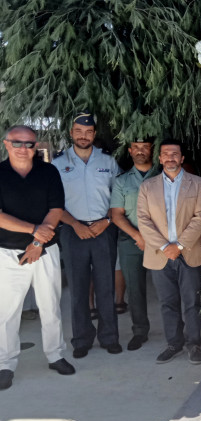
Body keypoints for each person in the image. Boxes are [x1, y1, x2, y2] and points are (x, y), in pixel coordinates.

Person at [0, 125, 75, 390]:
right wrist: (32, 231)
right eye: (18, 143)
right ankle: (5, 364)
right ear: (7, 144)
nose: (24, 148)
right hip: (8, 253)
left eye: (29, 144)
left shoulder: (48, 171)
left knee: (50, 307)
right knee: (7, 313)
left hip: (45, 252)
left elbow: (56, 209)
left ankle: (55, 355)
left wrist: (36, 242)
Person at [52, 111, 122, 358]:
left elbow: (118, 197)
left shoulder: (108, 162)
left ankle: (109, 337)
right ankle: (81, 339)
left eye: (88, 132)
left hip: (103, 230)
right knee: (78, 289)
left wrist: (106, 221)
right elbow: (54, 203)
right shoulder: (58, 164)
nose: (83, 136)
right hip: (73, 232)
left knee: (106, 287)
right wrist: (75, 225)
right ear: (71, 133)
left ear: (94, 134)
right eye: (78, 132)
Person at [137, 139, 201, 365]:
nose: (170, 158)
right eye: (166, 154)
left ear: (182, 158)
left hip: (188, 252)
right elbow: (143, 220)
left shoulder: (197, 184)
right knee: (167, 302)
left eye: (175, 154)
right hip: (159, 256)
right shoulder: (147, 187)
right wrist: (164, 246)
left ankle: (194, 344)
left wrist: (177, 246)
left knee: (192, 301)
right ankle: (173, 343)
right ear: (159, 158)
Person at [109, 137, 159, 351]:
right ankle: (140, 331)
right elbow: (117, 214)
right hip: (131, 241)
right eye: (136, 147)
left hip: (161, 242)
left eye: (145, 147)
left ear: (151, 150)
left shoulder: (162, 174)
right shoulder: (121, 180)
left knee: (168, 289)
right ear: (130, 151)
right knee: (135, 289)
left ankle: (177, 332)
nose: (140, 151)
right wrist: (138, 236)